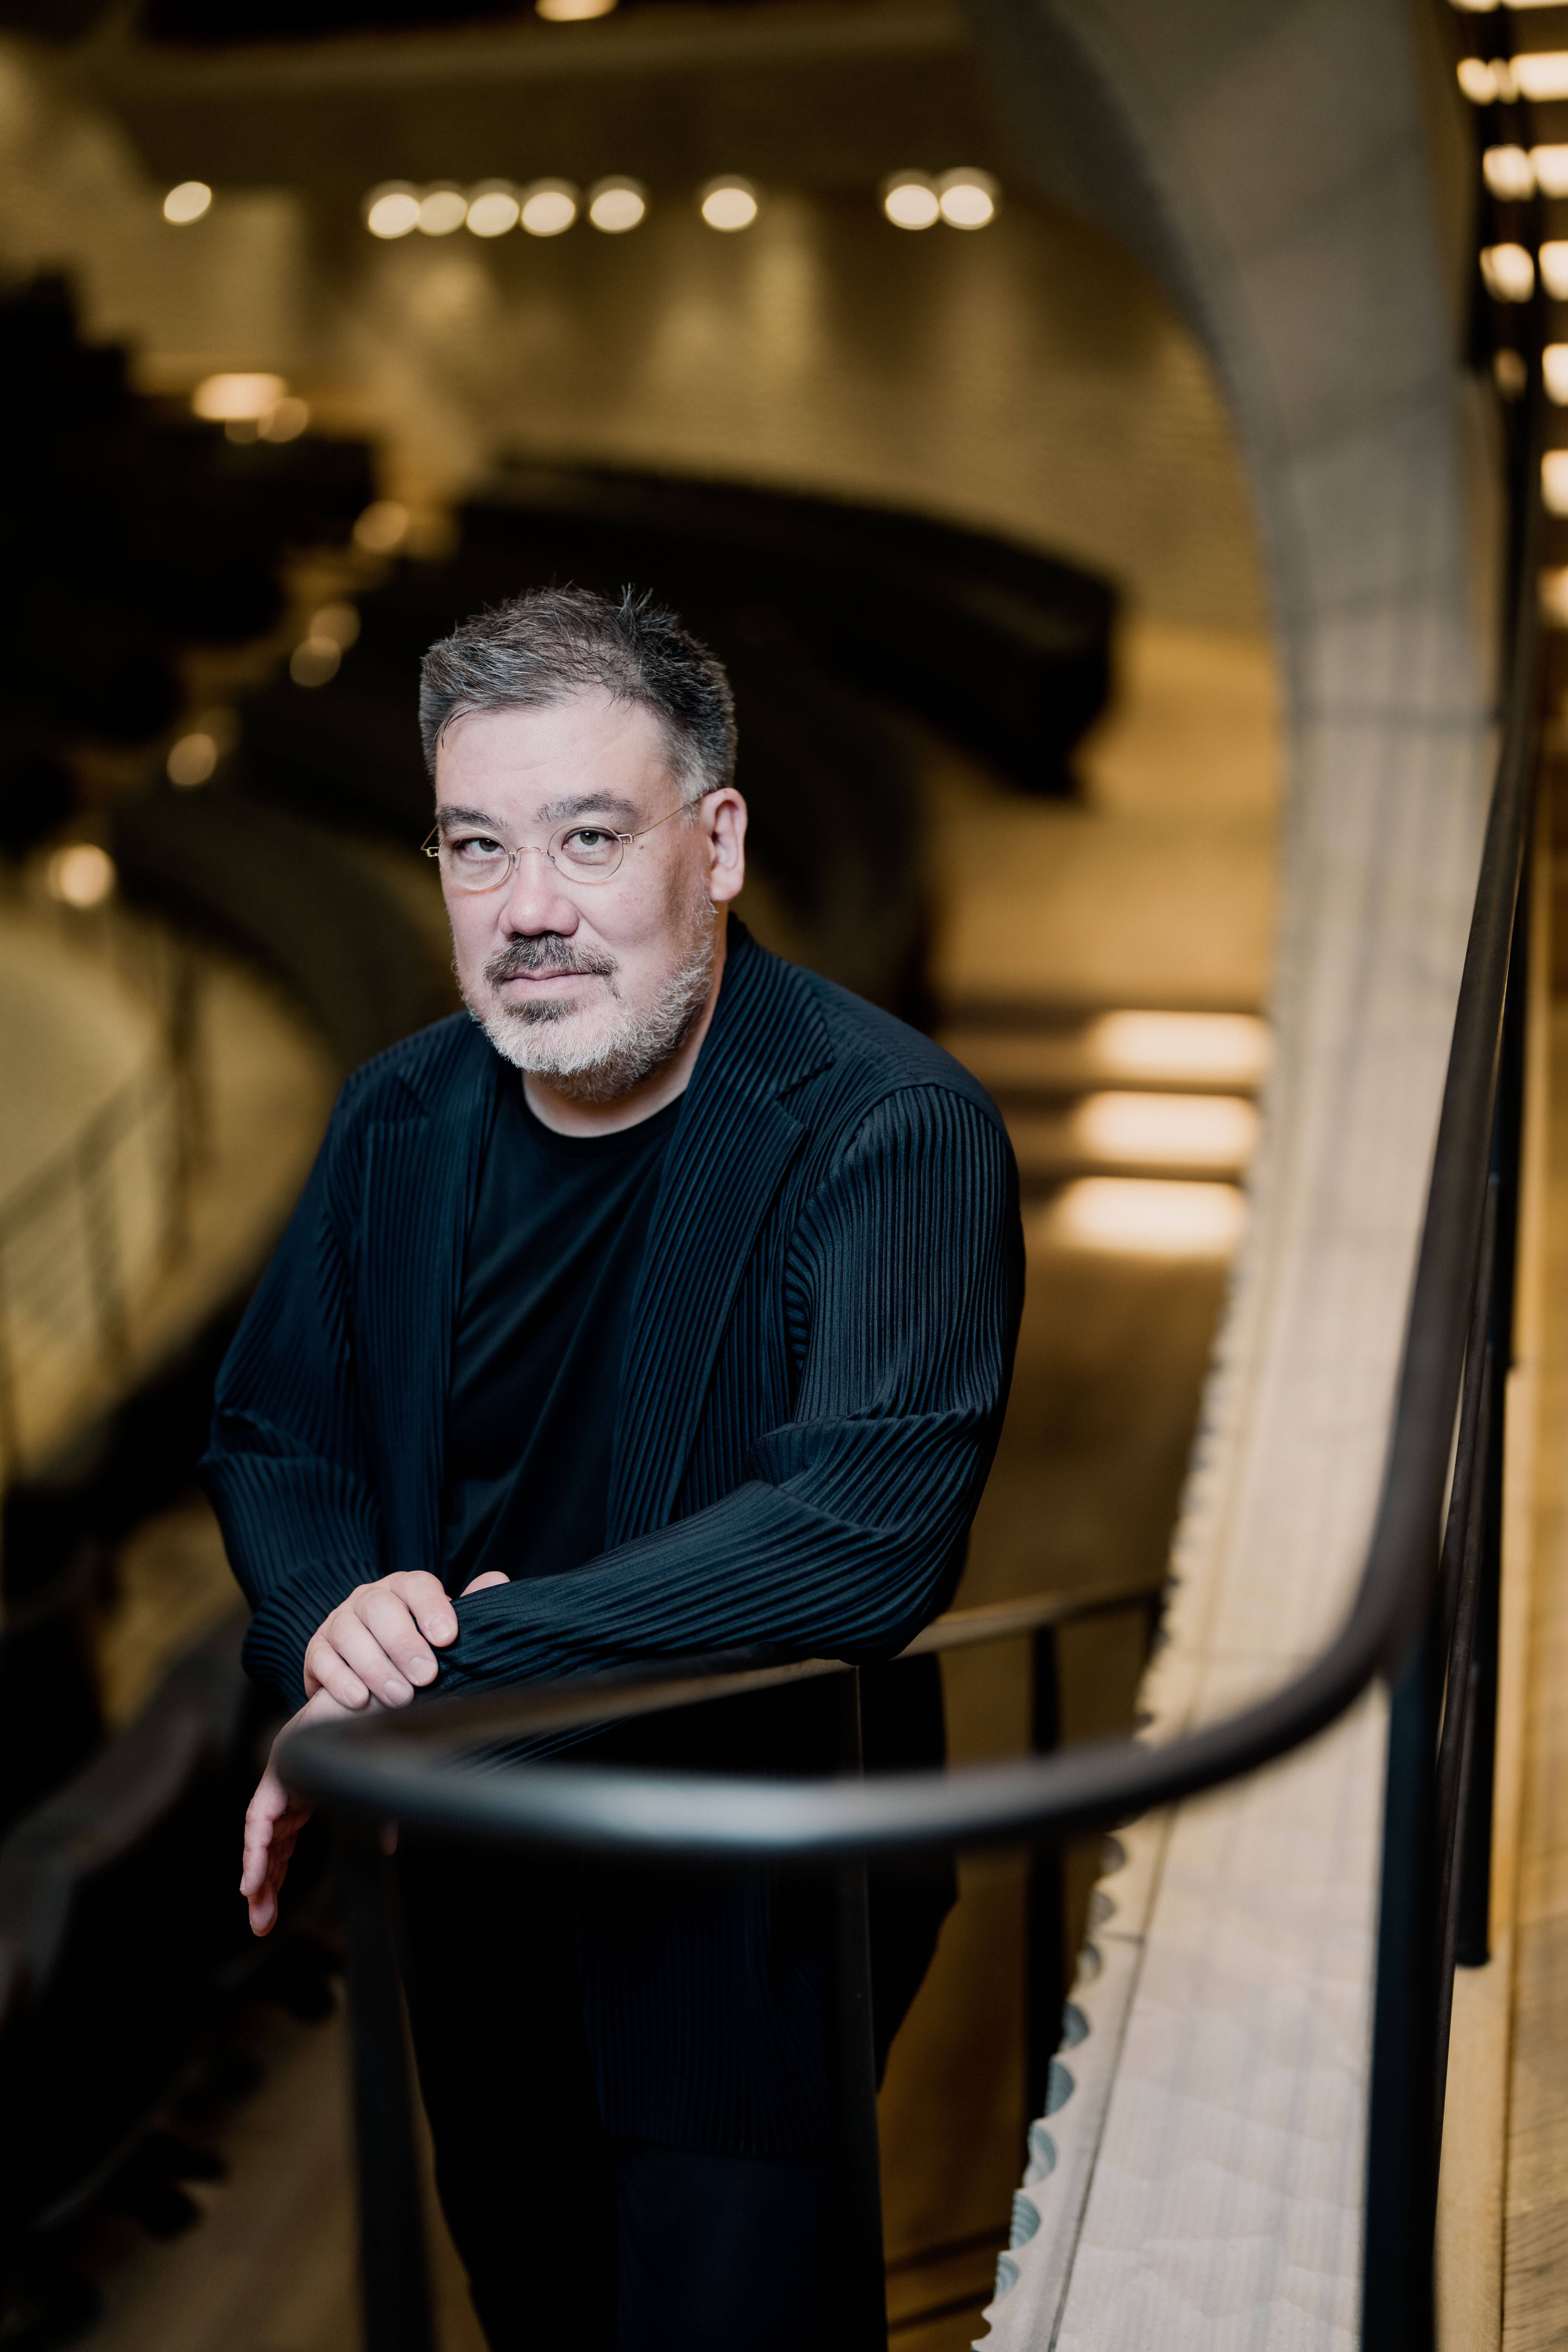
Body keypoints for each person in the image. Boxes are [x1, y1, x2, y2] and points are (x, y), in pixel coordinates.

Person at [205, 585, 1024, 2351]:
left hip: (739, 1911)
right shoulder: (399, 1117)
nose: (530, 913)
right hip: (480, 1896)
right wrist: (331, 1621)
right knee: (536, 2306)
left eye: (589, 837)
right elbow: (281, 1429)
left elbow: (862, 1532)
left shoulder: (889, 1132)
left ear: (717, 842)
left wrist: (428, 1691)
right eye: (475, 848)